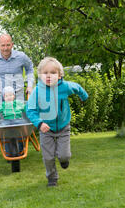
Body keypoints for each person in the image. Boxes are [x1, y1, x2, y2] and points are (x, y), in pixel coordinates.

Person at [26, 57, 88, 188]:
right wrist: (39, 123)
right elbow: (30, 110)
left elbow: (77, 87)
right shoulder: (38, 91)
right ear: (40, 75)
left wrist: (84, 97)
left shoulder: (65, 87)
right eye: (45, 73)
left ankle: (64, 160)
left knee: (64, 156)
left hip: (63, 127)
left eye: (53, 73)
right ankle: (52, 178)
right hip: (46, 130)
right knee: (48, 158)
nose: (49, 76)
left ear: (60, 75)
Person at [0, 34, 34, 104]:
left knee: (20, 114)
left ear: (12, 45)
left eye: (8, 45)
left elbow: (30, 68)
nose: (5, 48)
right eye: (3, 45)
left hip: (18, 94)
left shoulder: (21, 57)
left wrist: (30, 85)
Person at [0, 86, 26, 157]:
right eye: (7, 96)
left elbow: (24, 108)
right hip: (7, 121)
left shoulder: (17, 103)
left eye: (11, 95)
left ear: (14, 96)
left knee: (23, 126)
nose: (9, 97)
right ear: (4, 97)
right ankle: (2, 139)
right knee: (2, 127)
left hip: (17, 120)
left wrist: (30, 108)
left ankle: (22, 147)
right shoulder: (3, 105)